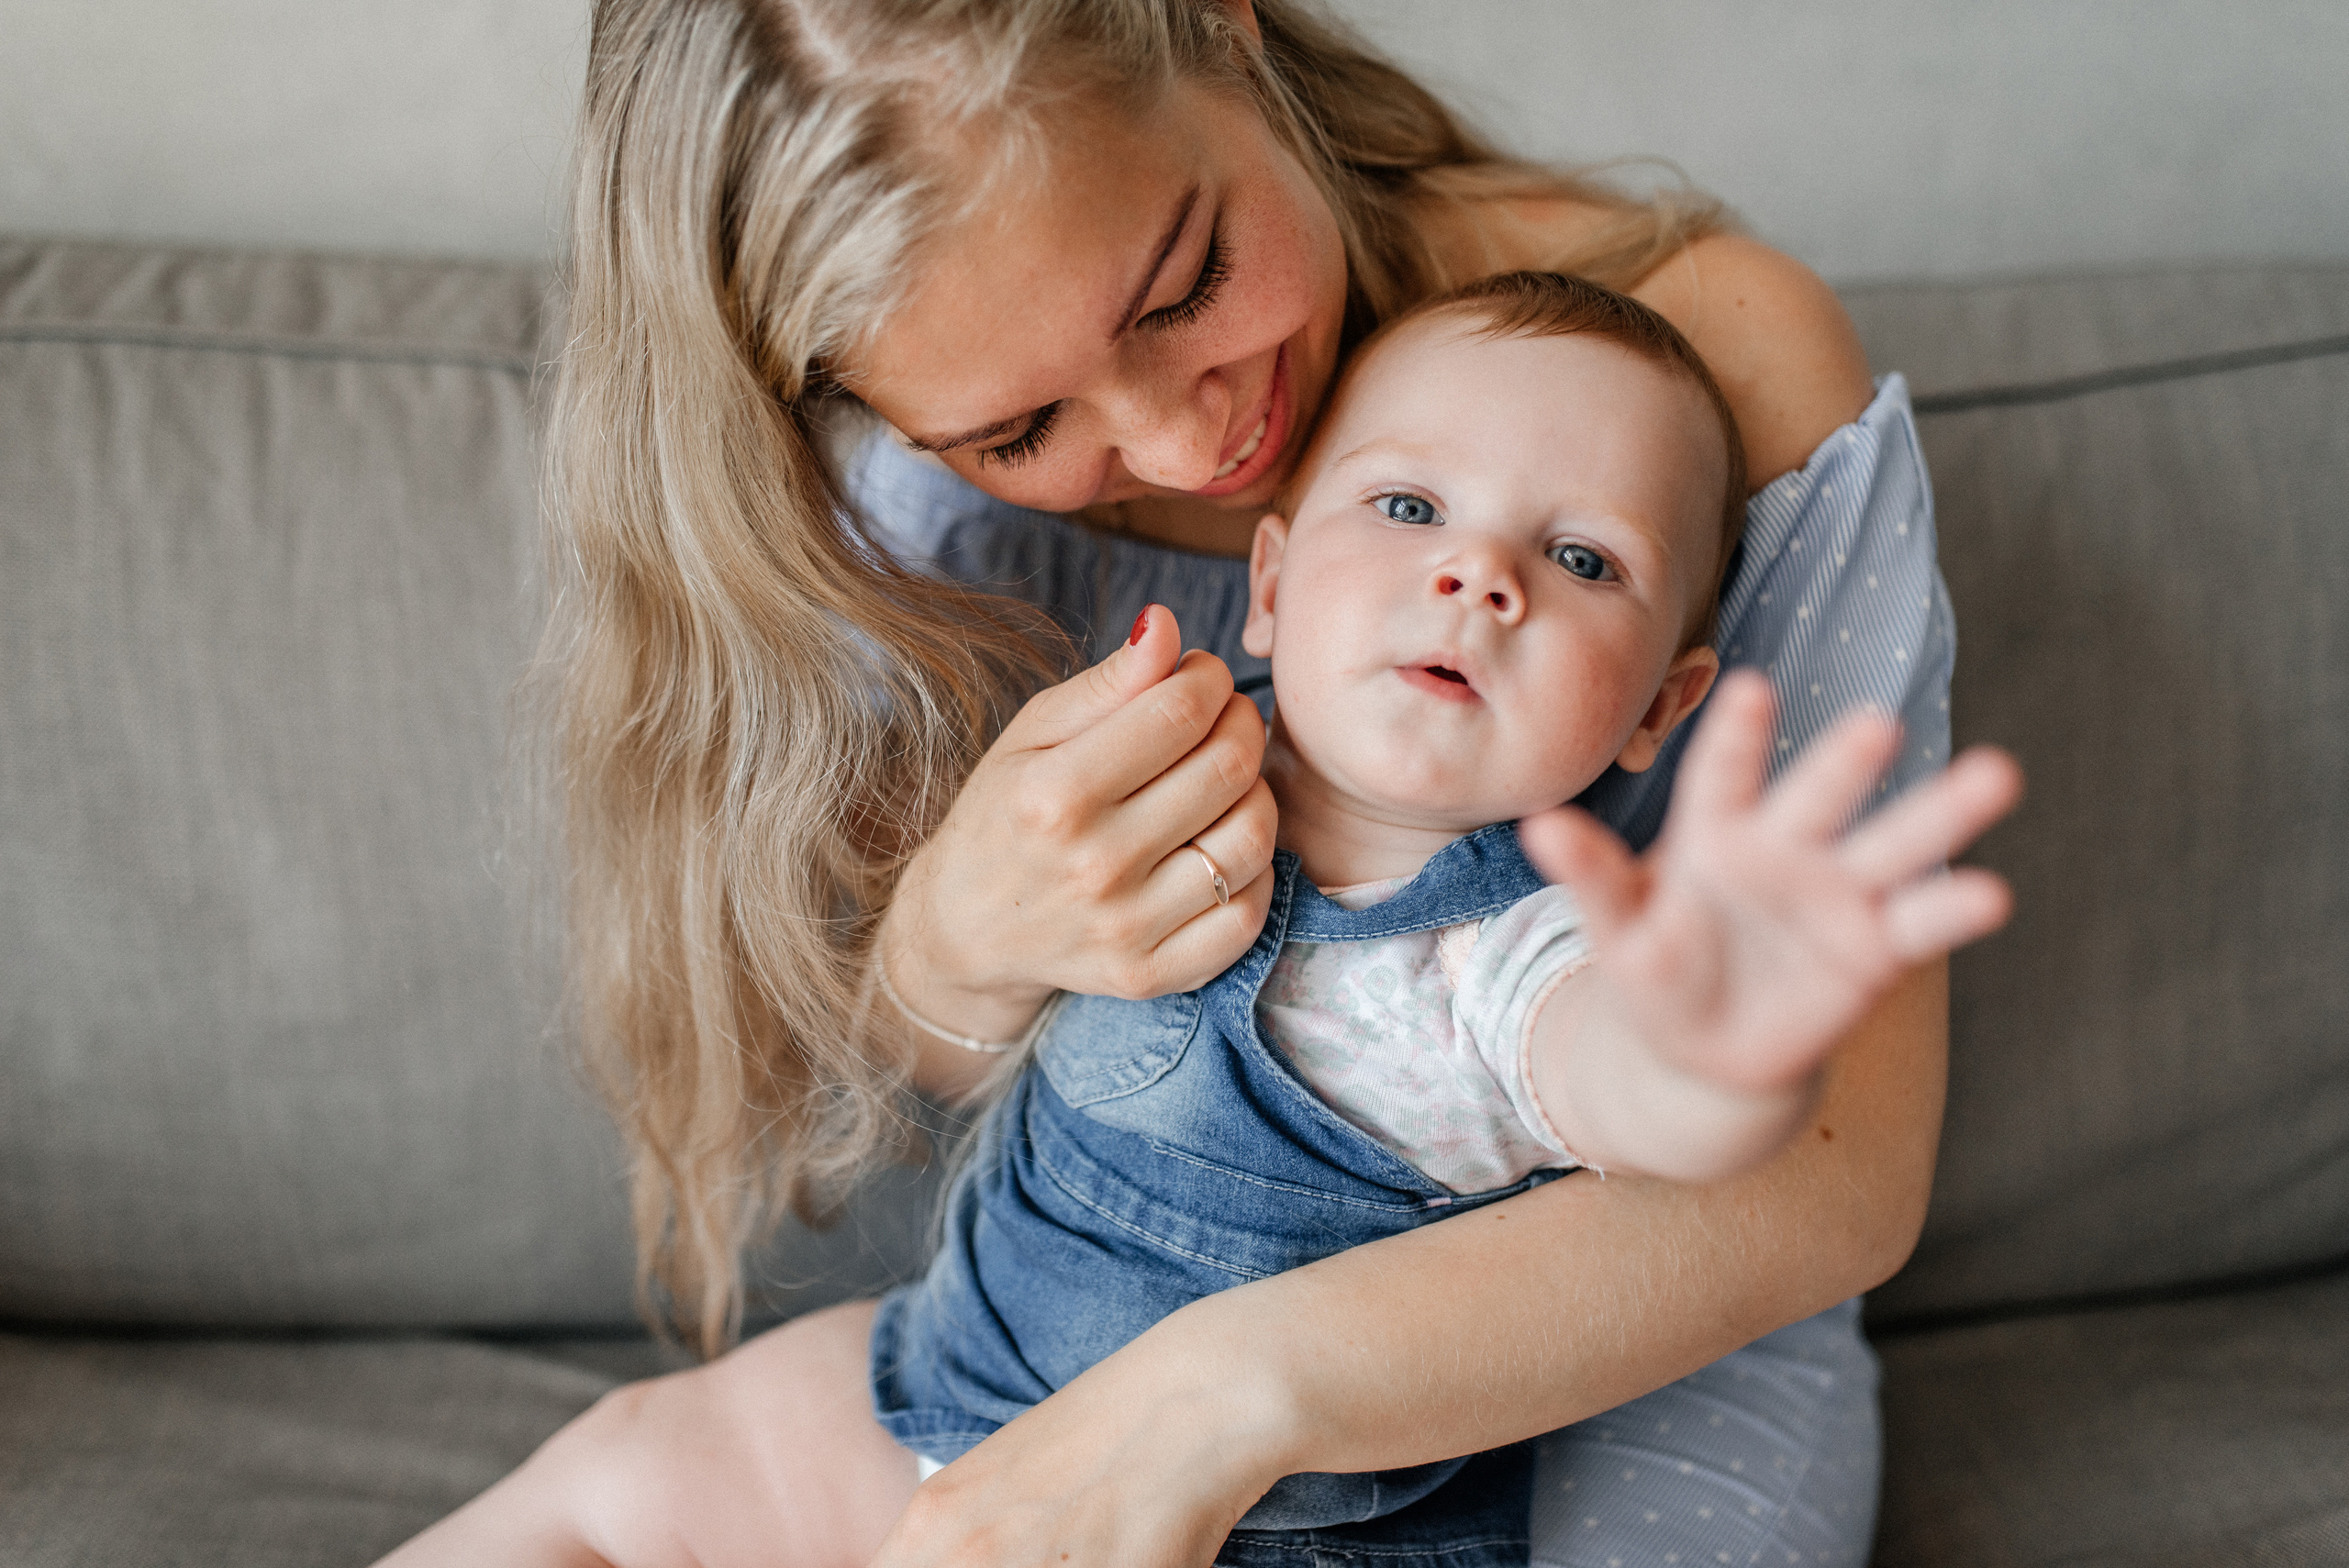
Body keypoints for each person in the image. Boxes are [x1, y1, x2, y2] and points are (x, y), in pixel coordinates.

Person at [380, 2, 1970, 1564]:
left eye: (1187, 279)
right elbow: (910, 1066)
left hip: (1621, 1326)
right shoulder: (888, 501)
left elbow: (1829, 1178)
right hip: (1062, 1322)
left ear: (1221, 28)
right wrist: (952, 945)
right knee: (634, 1472)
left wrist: (1219, 1396)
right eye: (1017, 428)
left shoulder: (1705, 365)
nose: (1188, 431)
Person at [863, 271, 2019, 1568]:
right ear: (1275, 585)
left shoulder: (1511, 952)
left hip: (1260, 1532)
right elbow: (914, 1043)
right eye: (1410, 507)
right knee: (627, 1468)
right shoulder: (1144, 775)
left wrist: (1710, 1036)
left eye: (1582, 558)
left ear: (1659, 706)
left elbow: (1625, 1090)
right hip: (963, 1373)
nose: (1479, 573)